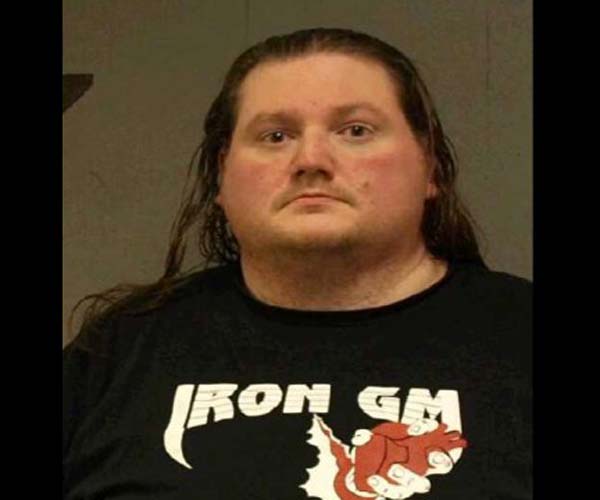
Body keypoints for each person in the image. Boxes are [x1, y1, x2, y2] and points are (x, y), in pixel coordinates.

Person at [63, 27, 531, 499]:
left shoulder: (517, 334)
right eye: (275, 136)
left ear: (430, 166)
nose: (311, 159)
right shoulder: (117, 353)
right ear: (222, 175)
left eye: (355, 131)